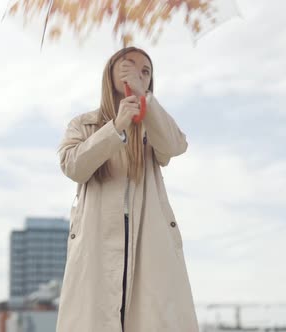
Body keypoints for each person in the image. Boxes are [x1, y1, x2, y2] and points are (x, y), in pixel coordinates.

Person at [55, 46, 200, 332]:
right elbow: (74, 167)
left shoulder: (153, 127)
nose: (138, 73)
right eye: (129, 66)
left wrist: (145, 101)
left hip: (150, 241)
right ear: (110, 74)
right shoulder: (84, 125)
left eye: (145, 71)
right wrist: (116, 126)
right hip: (97, 242)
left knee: (154, 319)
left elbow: (175, 146)